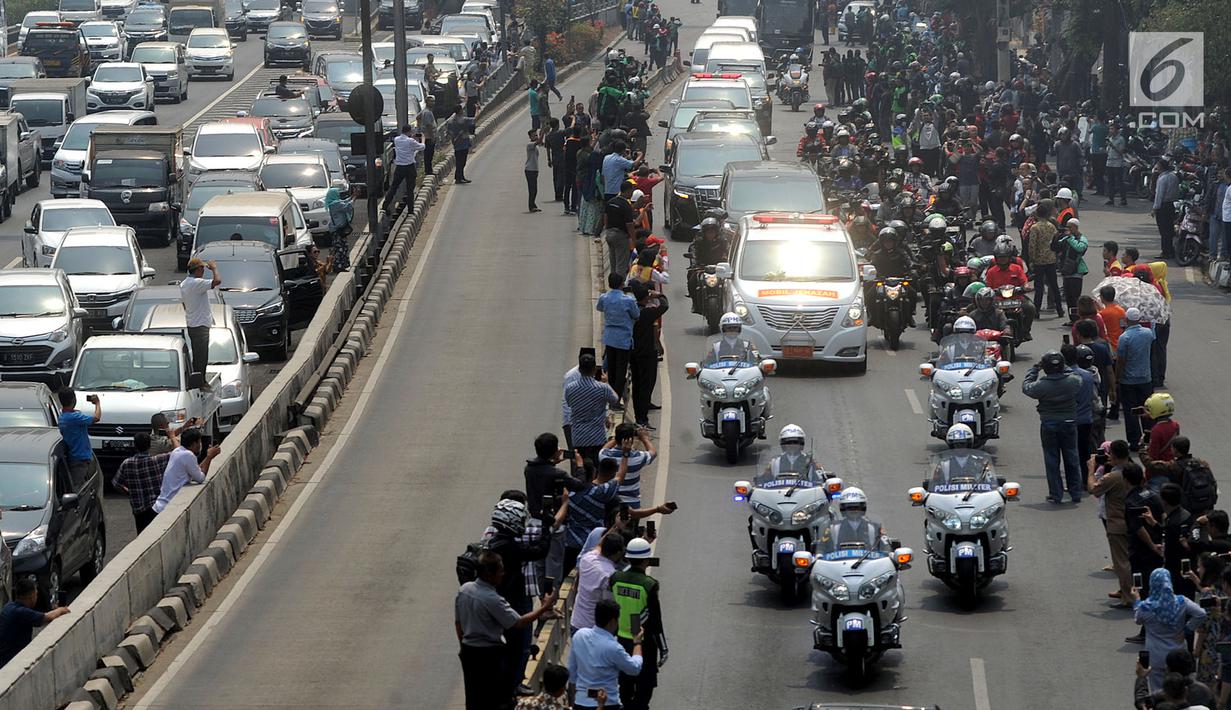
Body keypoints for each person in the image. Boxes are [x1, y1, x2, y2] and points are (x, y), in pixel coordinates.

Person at [455, 551, 558, 710]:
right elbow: (518, 622)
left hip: (469, 651)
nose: (503, 573)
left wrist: (464, 645)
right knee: (497, 699)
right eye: (500, 570)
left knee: (474, 695)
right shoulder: (491, 598)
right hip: (488, 655)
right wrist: (544, 607)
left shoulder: (465, 590)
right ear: (490, 574)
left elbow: (458, 623)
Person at [484, 496, 551, 699]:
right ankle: (514, 685)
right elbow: (539, 551)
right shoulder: (508, 546)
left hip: (502, 600)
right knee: (519, 645)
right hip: (513, 600)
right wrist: (547, 528)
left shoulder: (495, 541)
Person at [609, 537, 665, 710]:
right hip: (641, 641)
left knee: (624, 684)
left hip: (619, 639)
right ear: (647, 560)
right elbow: (655, 621)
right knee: (645, 685)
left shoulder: (615, 578)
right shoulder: (649, 584)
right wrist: (663, 648)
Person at [1022, 350, 1083, 503]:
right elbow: (1071, 372)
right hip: (1069, 423)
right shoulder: (1074, 381)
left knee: (1051, 459)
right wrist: (1063, 365)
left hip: (1049, 424)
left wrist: (1035, 368)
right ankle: (1076, 493)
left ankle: (1056, 494)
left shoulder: (1042, 385)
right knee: (1072, 457)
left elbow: (1026, 387)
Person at [1132, 568, 1206, 693]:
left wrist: (1137, 600)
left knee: (1157, 690)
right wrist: (1187, 630)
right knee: (1179, 688)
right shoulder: (1181, 602)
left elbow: (1137, 620)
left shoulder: (1146, 606)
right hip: (1178, 654)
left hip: (1156, 655)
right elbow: (1201, 614)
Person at [568, 598, 643, 709]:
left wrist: (572, 699)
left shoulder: (579, 635)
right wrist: (637, 642)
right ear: (613, 621)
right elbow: (634, 668)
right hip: (607, 703)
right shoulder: (613, 647)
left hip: (581, 701)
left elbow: (572, 672)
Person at [563, 455, 628, 576]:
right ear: (594, 473)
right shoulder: (599, 493)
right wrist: (625, 453)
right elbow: (620, 476)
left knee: (564, 579)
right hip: (593, 543)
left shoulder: (568, 494)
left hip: (570, 543)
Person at [1090, 439, 1134, 605]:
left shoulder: (1114, 476)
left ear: (1113, 455)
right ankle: (1126, 590)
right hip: (1131, 520)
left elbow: (1093, 488)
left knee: (1121, 562)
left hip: (1117, 522)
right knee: (1130, 558)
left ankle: (1128, 597)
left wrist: (1090, 469)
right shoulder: (1134, 470)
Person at [563, 353, 620, 466]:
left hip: (578, 437)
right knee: (595, 469)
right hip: (597, 437)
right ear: (594, 369)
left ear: (579, 369)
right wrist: (606, 382)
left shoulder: (570, 388)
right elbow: (615, 399)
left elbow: (569, 403)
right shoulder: (602, 388)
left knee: (580, 467)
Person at [0, 577, 70, 666]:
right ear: (31, 596)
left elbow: (38, 615)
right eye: (36, 594)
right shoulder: (21, 612)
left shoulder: (8, 607)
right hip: (10, 661)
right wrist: (61, 609)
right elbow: (47, 617)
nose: (37, 597)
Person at [112, 432, 173, 532]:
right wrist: (172, 436)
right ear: (149, 446)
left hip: (139, 511)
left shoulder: (127, 463)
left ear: (135, 446)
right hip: (157, 507)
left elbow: (116, 484)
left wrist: (129, 492)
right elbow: (179, 451)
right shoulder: (158, 460)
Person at [151, 428, 221, 513]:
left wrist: (208, 457)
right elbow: (200, 478)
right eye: (199, 442)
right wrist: (209, 457)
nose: (200, 445)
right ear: (194, 444)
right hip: (168, 507)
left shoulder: (177, 451)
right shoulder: (188, 455)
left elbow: (196, 469)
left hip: (159, 506)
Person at [627, 283, 667, 429]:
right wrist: (659, 295)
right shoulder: (647, 313)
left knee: (637, 385)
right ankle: (642, 419)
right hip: (647, 354)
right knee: (646, 386)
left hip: (633, 352)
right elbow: (664, 306)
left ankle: (639, 417)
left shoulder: (632, 311)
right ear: (646, 297)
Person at [596, 272, 639, 407]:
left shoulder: (604, 297)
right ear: (622, 284)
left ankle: (611, 396)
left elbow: (599, 308)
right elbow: (636, 315)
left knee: (612, 369)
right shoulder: (628, 300)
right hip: (623, 339)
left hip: (609, 337)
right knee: (621, 371)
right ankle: (616, 398)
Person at [1116, 307, 1155, 450]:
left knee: (1131, 412)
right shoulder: (1148, 333)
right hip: (1145, 378)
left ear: (1126, 320)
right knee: (1147, 410)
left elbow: (1121, 360)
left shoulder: (1124, 337)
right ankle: (1148, 438)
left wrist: (1117, 377)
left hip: (1128, 380)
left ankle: (1134, 441)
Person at [573, 533, 625, 636]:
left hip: (577, 622)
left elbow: (599, 544)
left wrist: (617, 526)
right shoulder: (609, 575)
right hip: (595, 629)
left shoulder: (587, 558)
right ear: (618, 553)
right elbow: (609, 606)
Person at [181, 257, 222, 389]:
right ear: (197, 270)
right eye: (202, 269)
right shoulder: (197, 283)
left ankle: (198, 379)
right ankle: (201, 382)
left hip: (192, 323)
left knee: (197, 355)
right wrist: (214, 268)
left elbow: (184, 304)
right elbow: (217, 281)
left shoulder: (184, 284)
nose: (203, 271)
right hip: (200, 324)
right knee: (202, 356)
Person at [597, 423, 657, 508]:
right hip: (632, 504)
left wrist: (618, 437)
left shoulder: (605, 456)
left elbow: (604, 448)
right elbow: (653, 452)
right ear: (631, 440)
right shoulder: (639, 457)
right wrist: (644, 438)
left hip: (610, 503)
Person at [1026, 199, 1062, 318]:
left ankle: (1036, 311)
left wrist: (1031, 260)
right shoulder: (1052, 226)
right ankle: (1060, 309)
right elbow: (1056, 241)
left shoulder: (1035, 228)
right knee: (1054, 285)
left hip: (1039, 261)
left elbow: (1032, 246)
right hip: (1051, 259)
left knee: (1039, 287)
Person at [57, 387, 100, 483]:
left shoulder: (63, 417)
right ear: (73, 400)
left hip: (75, 457)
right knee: (80, 488)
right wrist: (97, 403)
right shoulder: (74, 418)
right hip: (80, 460)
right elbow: (97, 418)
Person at [382, 125, 425, 213]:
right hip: (409, 167)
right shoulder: (411, 141)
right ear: (409, 131)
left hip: (400, 167)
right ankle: (410, 210)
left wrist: (411, 137)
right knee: (410, 189)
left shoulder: (396, 139)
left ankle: (384, 206)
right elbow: (422, 147)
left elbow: (406, 142)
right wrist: (423, 138)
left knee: (393, 187)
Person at [604, 180, 639, 277]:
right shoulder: (626, 205)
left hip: (609, 234)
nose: (632, 194)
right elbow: (630, 225)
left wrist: (607, 231)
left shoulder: (611, 202)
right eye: (632, 191)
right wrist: (634, 241)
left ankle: (612, 283)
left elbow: (605, 219)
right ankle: (619, 286)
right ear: (627, 190)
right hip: (620, 236)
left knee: (613, 262)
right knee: (621, 264)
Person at [1056, 218, 1088, 318]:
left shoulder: (1081, 238)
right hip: (1066, 270)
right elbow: (1056, 246)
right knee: (1068, 298)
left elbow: (1080, 248)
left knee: (1075, 298)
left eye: (1070, 227)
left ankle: (1078, 318)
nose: (1068, 229)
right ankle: (1072, 319)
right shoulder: (1066, 238)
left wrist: (1070, 238)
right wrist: (1056, 237)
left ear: (1075, 227)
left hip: (1076, 271)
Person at [1152, 159, 1180, 260]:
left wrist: (1155, 208)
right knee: (1169, 229)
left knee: (1164, 230)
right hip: (1171, 205)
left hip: (1163, 206)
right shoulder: (1173, 176)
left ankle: (1166, 251)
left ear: (1161, 166)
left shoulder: (1162, 179)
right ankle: (1170, 250)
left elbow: (1159, 195)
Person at [443, 107, 476, 184]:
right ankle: (459, 178)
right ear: (460, 111)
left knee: (459, 162)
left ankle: (459, 177)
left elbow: (447, 133)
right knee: (462, 162)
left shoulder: (450, 121)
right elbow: (475, 119)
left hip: (456, 144)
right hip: (463, 143)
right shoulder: (463, 120)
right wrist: (477, 109)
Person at [1105, 121, 1128, 206]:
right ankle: (1111, 198)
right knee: (1110, 182)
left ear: (1117, 130)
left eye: (1112, 129)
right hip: (1109, 162)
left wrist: (1112, 145)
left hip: (1117, 162)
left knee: (1119, 182)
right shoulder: (1110, 138)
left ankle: (1123, 199)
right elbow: (1108, 151)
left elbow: (1121, 152)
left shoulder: (1120, 139)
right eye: (1110, 129)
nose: (1110, 130)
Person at [1098, 285, 1126, 350]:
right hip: (1120, 343)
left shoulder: (1102, 313)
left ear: (1102, 297)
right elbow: (1123, 326)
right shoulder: (1121, 310)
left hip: (1110, 344)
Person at [417, 95, 437, 176]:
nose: (433, 103)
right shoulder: (427, 112)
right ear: (427, 102)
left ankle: (428, 170)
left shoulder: (424, 111)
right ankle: (428, 171)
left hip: (426, 136)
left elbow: (418, 117)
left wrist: (420, 127)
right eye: (431, 101)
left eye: (433, 101)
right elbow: (429, 126)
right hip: (428, 137)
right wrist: (432, 137)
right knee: (429, 155)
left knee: (428, 154)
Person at [524, 129, 542, 213]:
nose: (536, 136)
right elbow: (538, 142)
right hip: (530, 170)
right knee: (532, 189)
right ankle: (531, 206)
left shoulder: (535, 145)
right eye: (534, 135)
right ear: (530, 137)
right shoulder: (530, 145)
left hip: (534, 170)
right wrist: (543, 132)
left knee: (534, 189)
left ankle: (533, 205)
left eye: (536, 135)